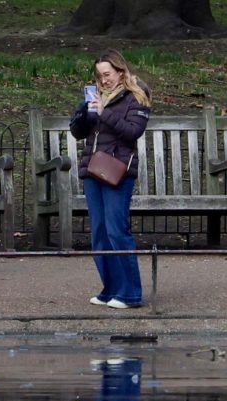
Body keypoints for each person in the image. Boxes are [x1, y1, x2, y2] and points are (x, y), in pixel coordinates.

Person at [69, 49, 151, 309]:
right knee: (100, 235)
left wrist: (105, 113)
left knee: (117, 231)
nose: (103, 80)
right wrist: (83, 113)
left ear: (120, 72)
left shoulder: (136, 96)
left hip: (117, 170)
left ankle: (131, 293)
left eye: (107, 74)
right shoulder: (95, 97)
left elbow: (132, 132)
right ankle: (111, 288)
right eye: (99, 76)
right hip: (92, 169)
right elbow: (78, 132)